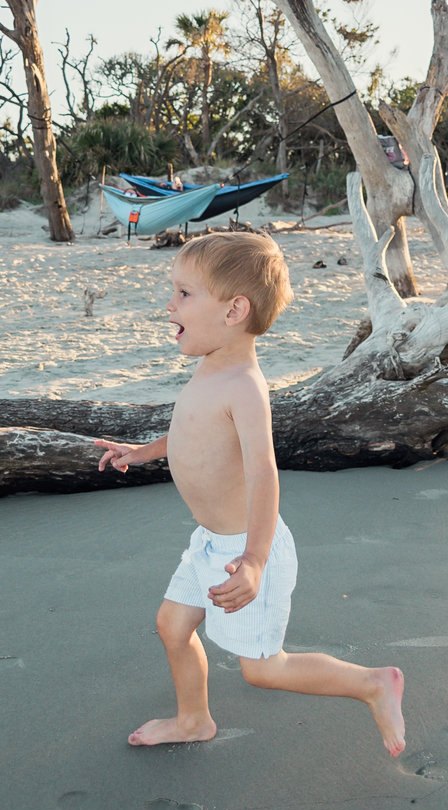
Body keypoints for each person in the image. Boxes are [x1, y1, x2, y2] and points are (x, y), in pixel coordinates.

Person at [94, 233, 406, 756]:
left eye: (184, 294)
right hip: (209, 544)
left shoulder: (243, 384)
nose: (170, 304)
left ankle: (373, 684)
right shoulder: (210, 367)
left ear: (235, 309)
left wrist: (255, 562)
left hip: (244, 550)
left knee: (264, 669)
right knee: (172, 625)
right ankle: (194, 720)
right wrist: (145, 451)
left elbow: (263, 474)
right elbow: (196, 432)